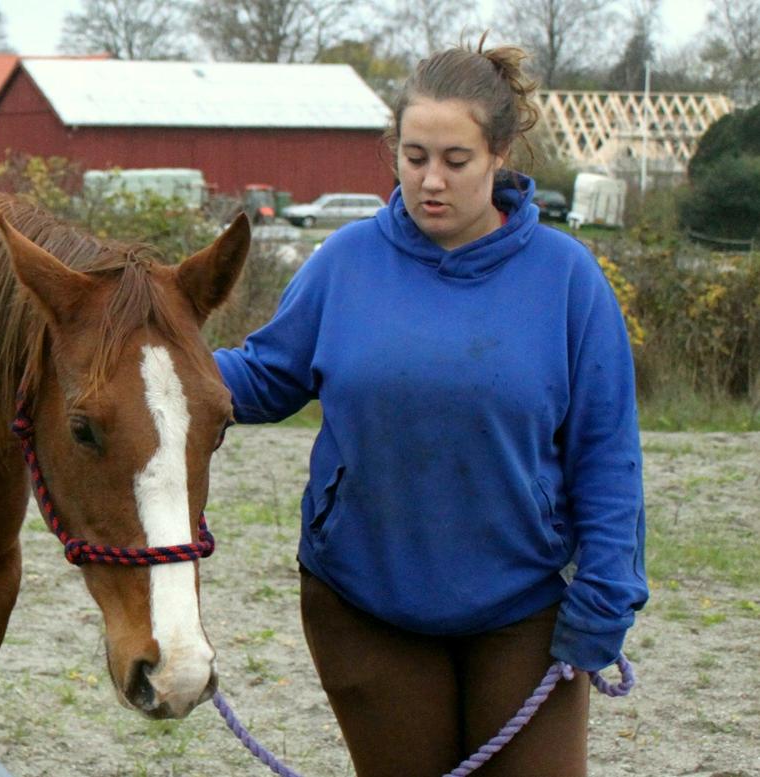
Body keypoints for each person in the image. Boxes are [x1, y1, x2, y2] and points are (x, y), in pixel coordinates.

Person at [213, 38, 648, 776]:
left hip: (525, 607)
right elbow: (259, 376)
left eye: (456, 159)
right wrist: (145, 364)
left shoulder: (568, 279)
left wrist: (607, 594)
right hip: (366, 600)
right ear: (393, 151)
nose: (431, 181)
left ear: (501, 153)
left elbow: (606, 451)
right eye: (414, 157)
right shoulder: (345, 264)